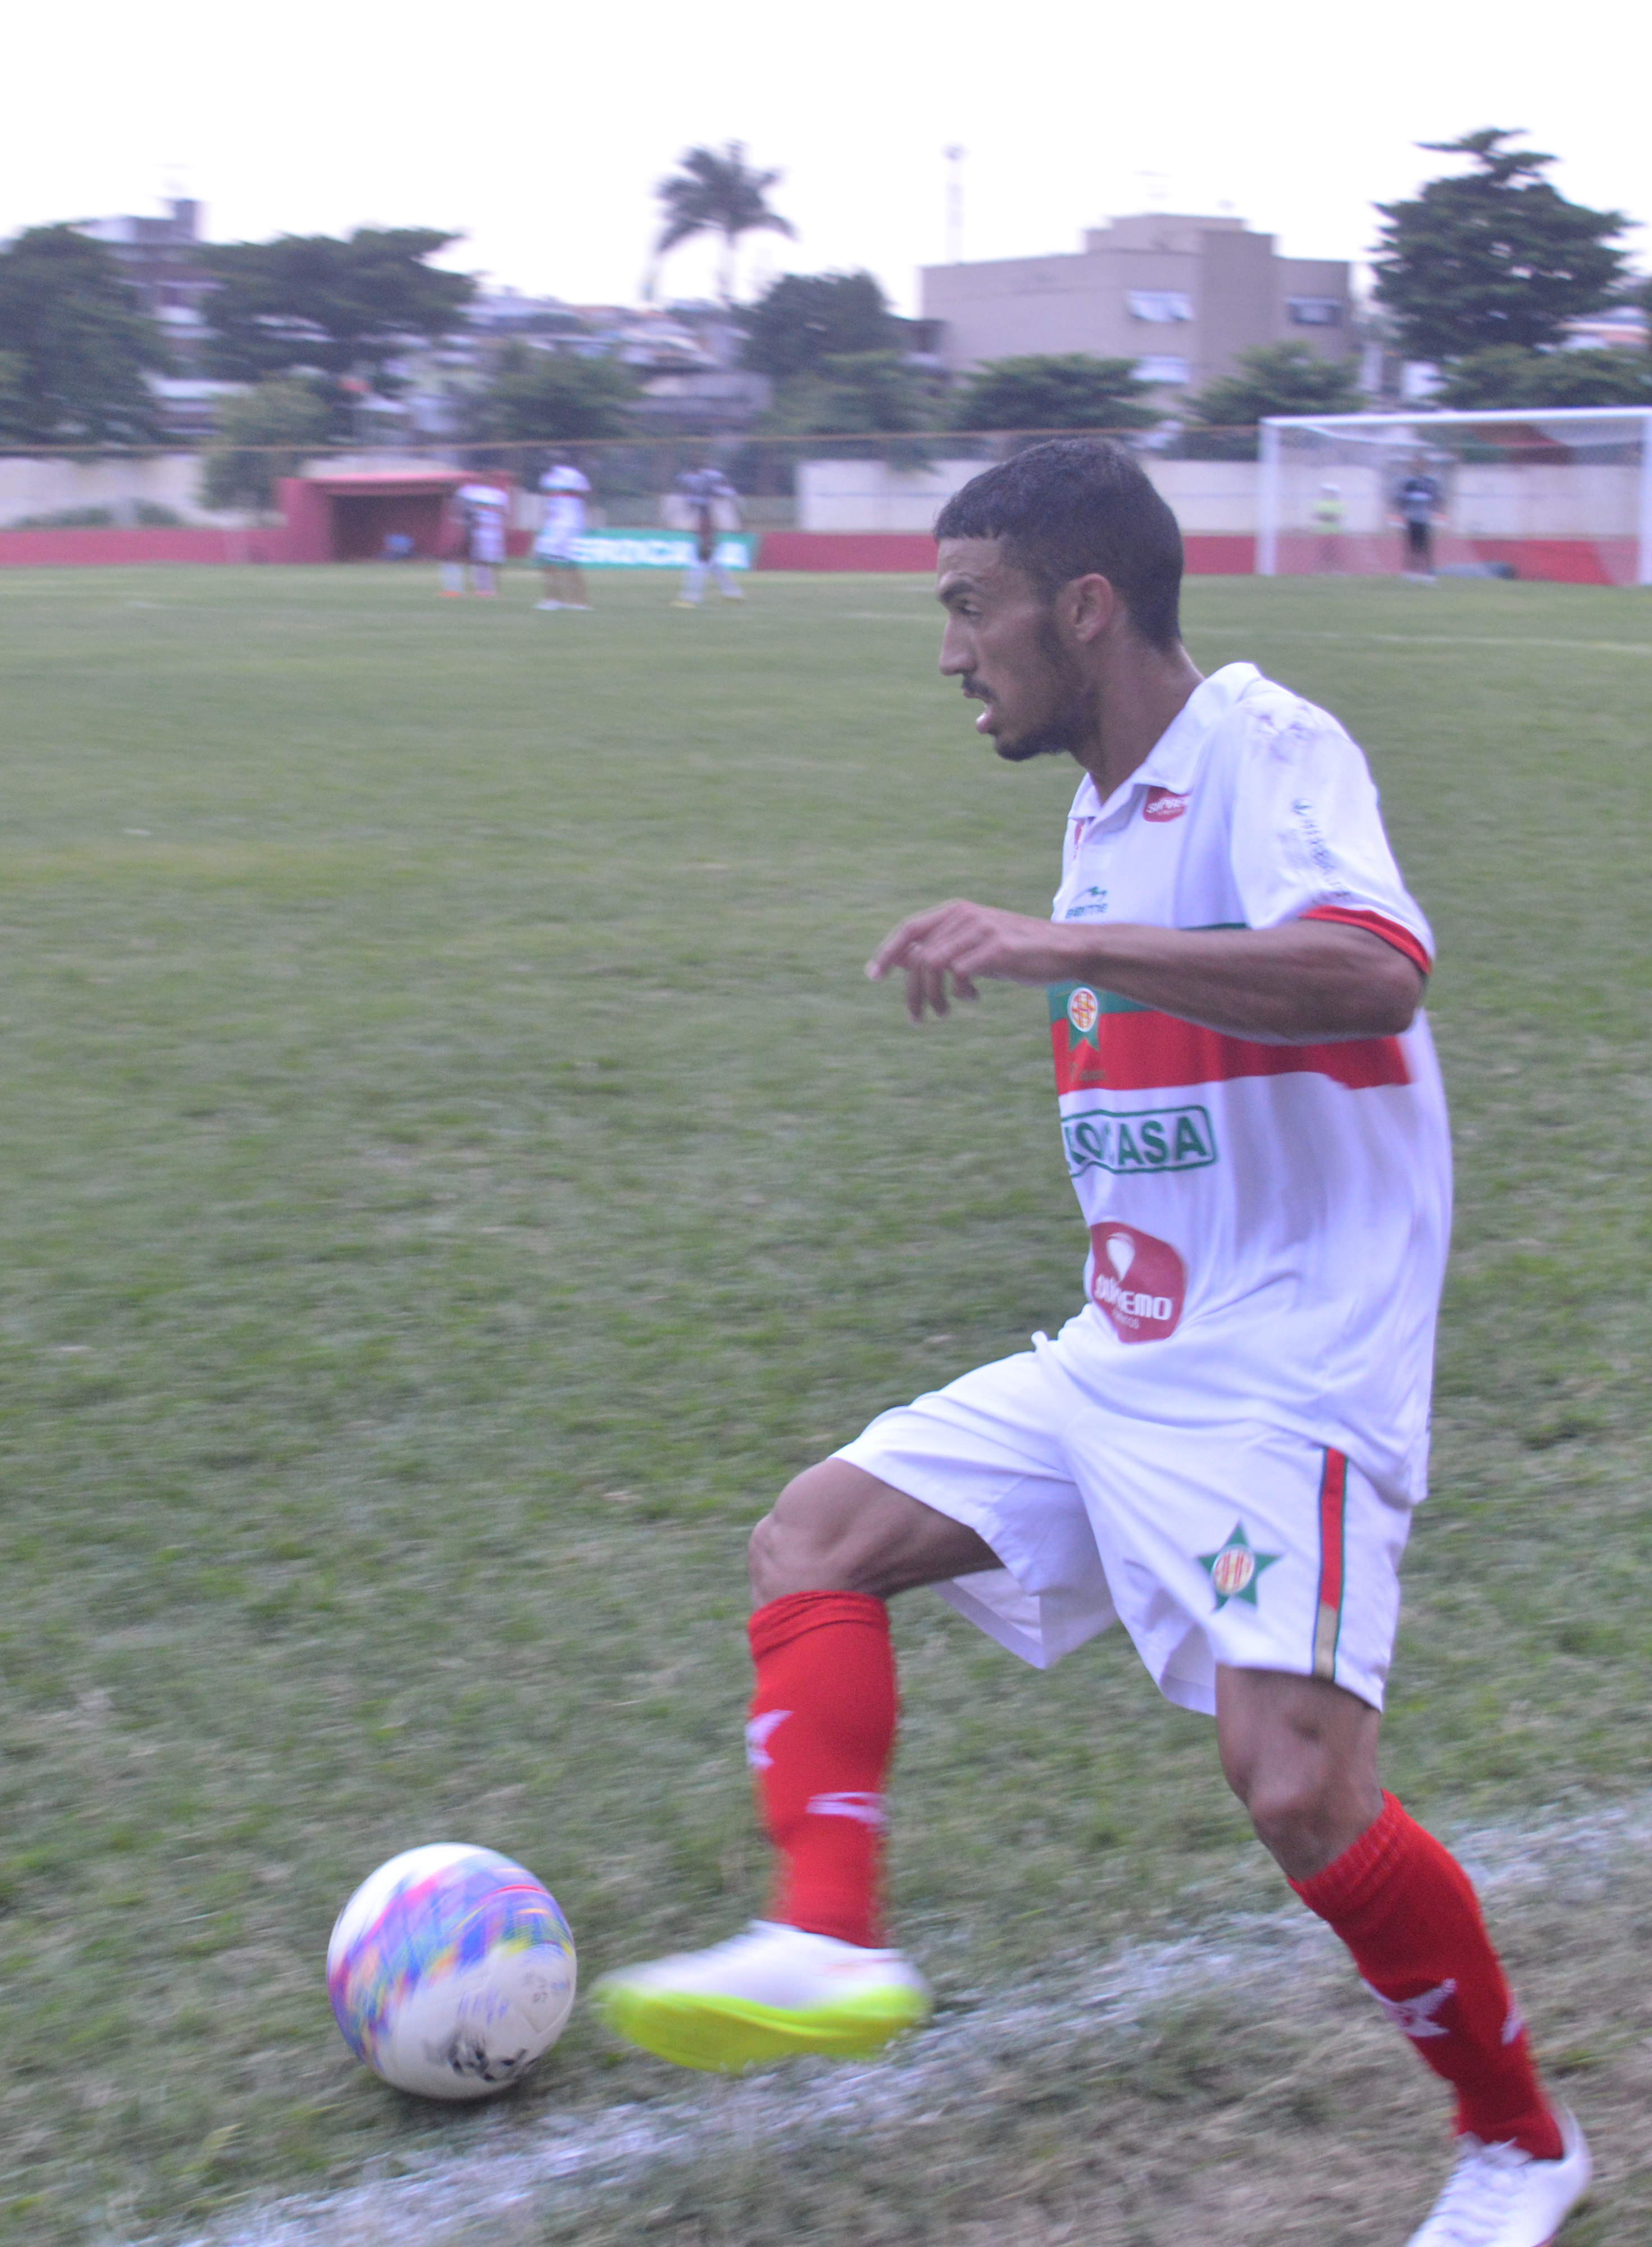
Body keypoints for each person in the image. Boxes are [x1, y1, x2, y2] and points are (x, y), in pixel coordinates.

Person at [593, 439, 1589, 2247]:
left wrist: (1064, 947)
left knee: (1293, 1785)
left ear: (1083, 605)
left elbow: (1373, 970)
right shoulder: (1108, 799)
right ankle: (822, 1932)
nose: (951, 649)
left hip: (1288, 1364)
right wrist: (1082, 955)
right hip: (1126, 1348)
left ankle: (1518, 2142)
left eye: (967, 607)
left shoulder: (1260, 744)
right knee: (812, 1535)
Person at [668, 462, 746, 606]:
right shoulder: (708, 491)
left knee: (698, 563)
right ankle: (733, 593)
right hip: (707, 530)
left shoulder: (702, 493)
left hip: (709, 531)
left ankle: (691, 598)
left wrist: (706, 538)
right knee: (713, 564)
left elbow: (706, 515)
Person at [532, 456, 593, 611]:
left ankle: (580, 602)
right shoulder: (548, 478)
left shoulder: (573, 476)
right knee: (546, 561)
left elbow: (584, 495)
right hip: (553, 525)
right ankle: (553, 599)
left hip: (568, 524)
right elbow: (550, 503)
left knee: (568, 562)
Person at [446, 474, 512, 598]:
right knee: (479, 561)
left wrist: (506, 530)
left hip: (495, 532)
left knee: (494, 562)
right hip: (479, 532)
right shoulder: (471, 492)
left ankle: (493, 589)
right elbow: (455, 494)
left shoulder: (499, 496)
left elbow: (506, 515)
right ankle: (481, 588)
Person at [1393, 465, 1445, 583]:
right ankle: (1410, 573)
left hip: (1424, 521)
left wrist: (1437, 514)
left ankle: (1429, 574)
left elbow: (1437, 500)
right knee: (1412, 548)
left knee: (1426, 548)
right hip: (1412, 520)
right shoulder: (1409, 484)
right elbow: (1400, 501)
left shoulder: (1429, 484)